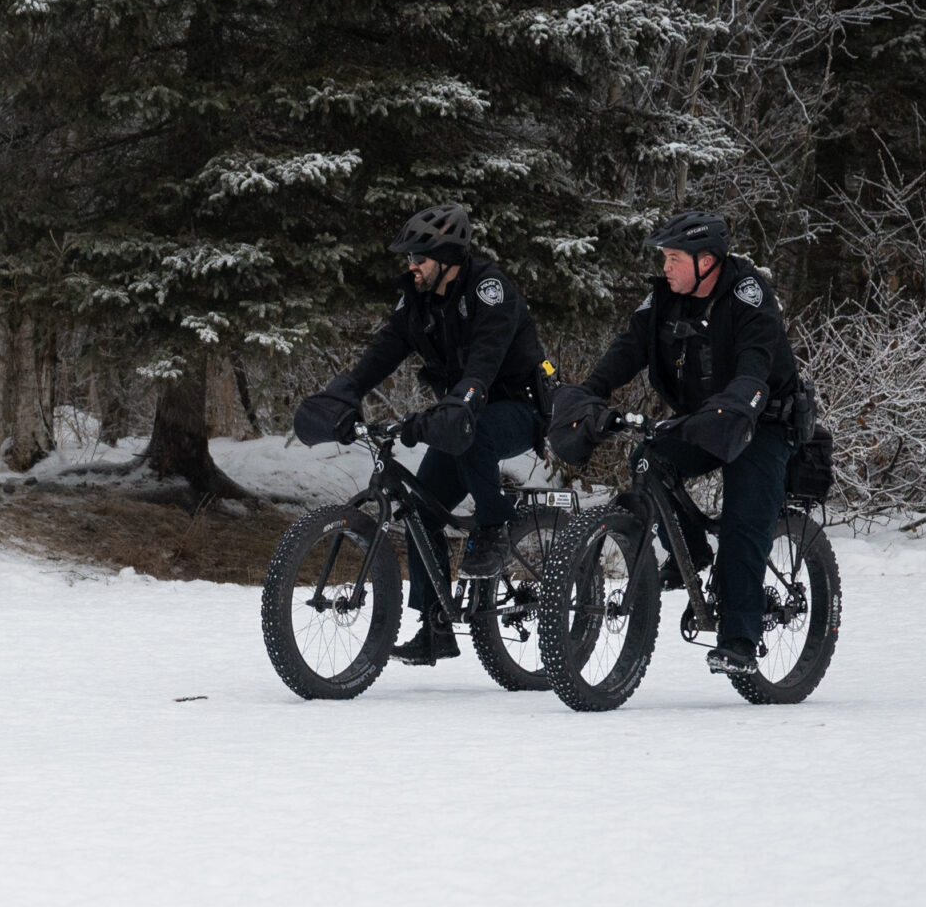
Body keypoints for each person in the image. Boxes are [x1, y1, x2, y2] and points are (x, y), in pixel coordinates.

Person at [292, 203, 554, 665]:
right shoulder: (417, 299)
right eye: (409, 258)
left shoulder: (491, 291)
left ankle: (495, 525)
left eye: (419, 258)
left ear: (448, 258)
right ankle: (435, 627)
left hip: (515, 408)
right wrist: (344, 392)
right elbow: (383, 351)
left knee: (474, 434)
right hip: (461, 412)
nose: (410, 266)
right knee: (420, 507)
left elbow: (485, 362)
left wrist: (462, 402)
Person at [547, 210, 800, 677]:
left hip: (760, 420)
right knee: (649, 461)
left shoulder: (748, 294)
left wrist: (738, 402)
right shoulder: (665, 298)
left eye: (674, 258)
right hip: (703, 418)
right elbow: (628, 349)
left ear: (707, 261)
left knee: (745, 520)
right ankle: (691, 551)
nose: (666, 267)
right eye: (664, 258)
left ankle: (741, 637)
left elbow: (754, 362)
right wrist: (589, 391)